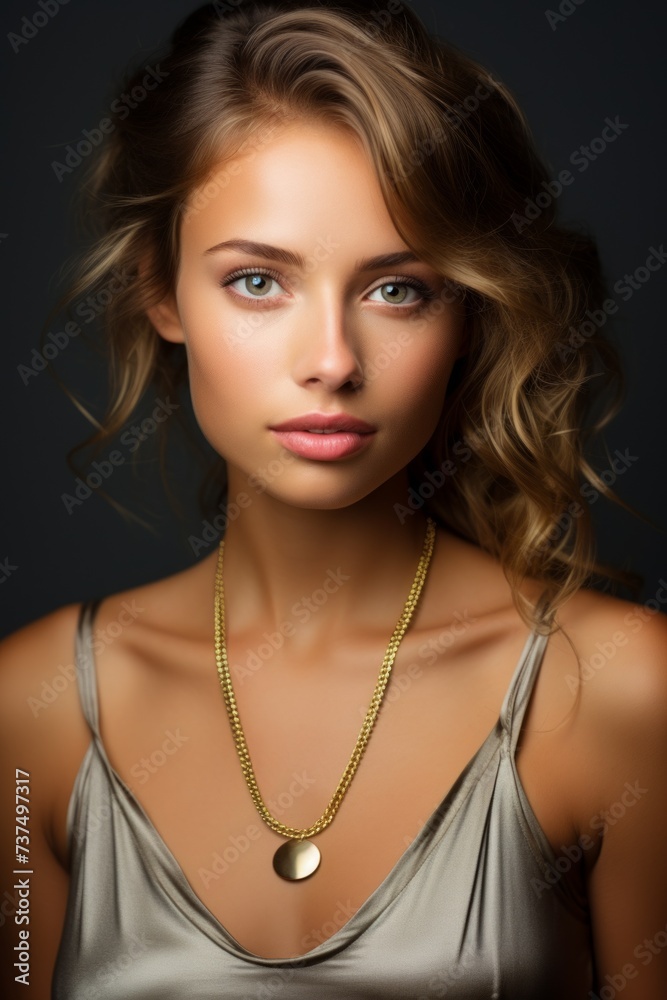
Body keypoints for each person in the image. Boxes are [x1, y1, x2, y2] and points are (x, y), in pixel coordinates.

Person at [1, 0, 665, 996]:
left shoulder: (614, 690)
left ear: (469, 309)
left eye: (397, 289)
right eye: (258, 281)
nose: (331, 362)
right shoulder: (34, 708)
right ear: (160, 291)